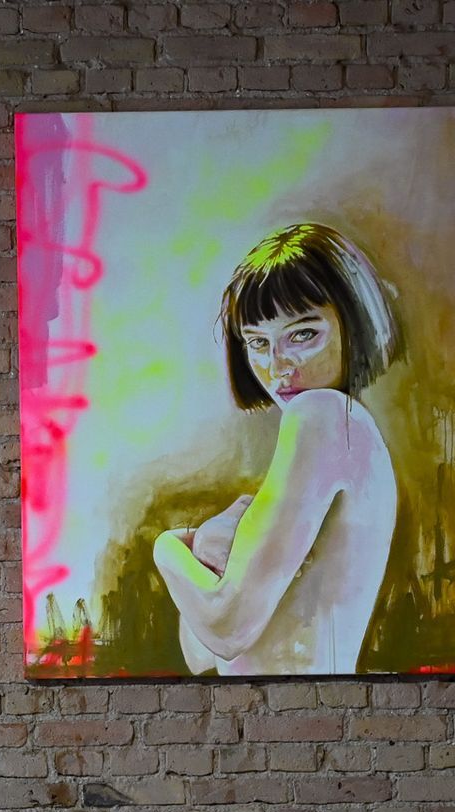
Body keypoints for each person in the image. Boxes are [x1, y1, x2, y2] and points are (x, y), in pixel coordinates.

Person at [152, 222, 401, 676]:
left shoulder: (323, 416)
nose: (277, 365)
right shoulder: (348, 434)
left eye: (303, 334)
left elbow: (227, 630)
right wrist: (208, 545)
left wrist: (168, 549)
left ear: (352, 324)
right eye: (258, 343)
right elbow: (202, 654)